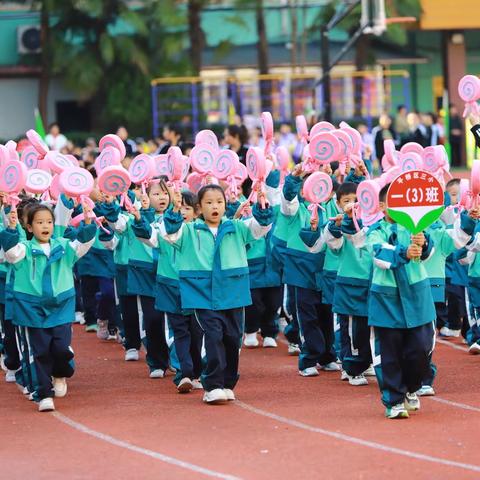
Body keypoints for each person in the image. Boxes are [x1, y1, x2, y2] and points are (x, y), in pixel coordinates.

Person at [160, 184, 274, 404]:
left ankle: (227, 382)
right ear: (199, 208)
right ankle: (212, 385)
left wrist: (262, 205)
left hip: (233, 292)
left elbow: (260, 227)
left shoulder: (236, 227)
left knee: (232, 338)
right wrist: (174, 210)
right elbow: (171, 234)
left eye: (219, 202)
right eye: (209, 202)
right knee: (213, 336)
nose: (215, 206)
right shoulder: (189, 230)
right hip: (202, 293)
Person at [0, 203, 96, 412]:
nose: (46, 226)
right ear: (29, 227)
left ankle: (61, 372)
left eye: (49, 222)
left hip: (60, 305)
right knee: (40, 351)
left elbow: (82, 245)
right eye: (40, 222)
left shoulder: (62, 245)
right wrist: (10, 227)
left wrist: (88, 222)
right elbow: (11, 253)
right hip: (31, 307)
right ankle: (43, 393)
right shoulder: (24, 248)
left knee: (61, 348)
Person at [132, 190, 204, 393]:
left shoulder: (201, 230)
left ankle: (196, 371)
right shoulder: (163, 230)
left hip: (196, 287)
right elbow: (147, 236)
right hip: (170, 287)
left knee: (196, 333)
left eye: (187, 208)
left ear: (197, 211)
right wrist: (139, 218)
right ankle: (185, 373)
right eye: (179, 207)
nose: (182, 212)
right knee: (180, 331)